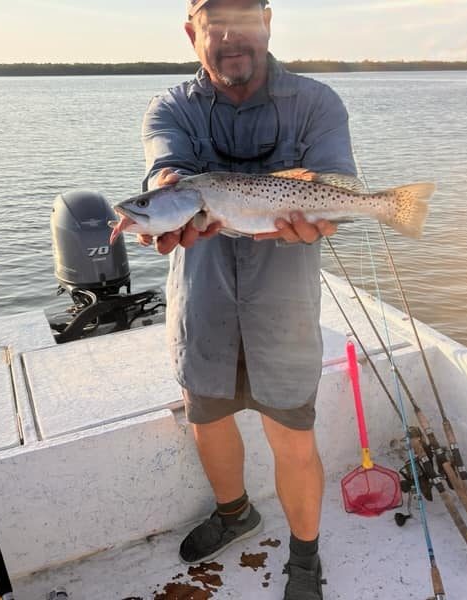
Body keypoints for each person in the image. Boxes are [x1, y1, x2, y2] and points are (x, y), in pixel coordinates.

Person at [139, 0, 356, 597]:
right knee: (208, 419)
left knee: (292, 435)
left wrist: (323, 218)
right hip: (203, 303)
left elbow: (336, 188)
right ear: (193, 32)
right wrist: (165, 197)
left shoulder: (317, 102)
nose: (233, 36)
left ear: (268, 22)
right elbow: (167, 170)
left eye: (246, 20)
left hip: (283, 308)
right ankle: (236, 513)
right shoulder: (171, 106)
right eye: (216, 23)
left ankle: (305, 558)